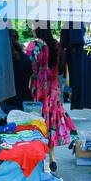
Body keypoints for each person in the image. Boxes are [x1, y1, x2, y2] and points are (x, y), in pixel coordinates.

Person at [27, 25, 75, 171]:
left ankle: (41, 157)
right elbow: (60, 67)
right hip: (53, 90)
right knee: (51, 120)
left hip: (39, 89)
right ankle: (52, 156)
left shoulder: (33, 45)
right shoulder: (56, 45)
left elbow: (31, 69)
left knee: (38, 121)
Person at [2, 27, 34, 114]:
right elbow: (30, 80)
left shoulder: (3, 59)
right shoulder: (26, 58)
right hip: (25, 101)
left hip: (9, 102)